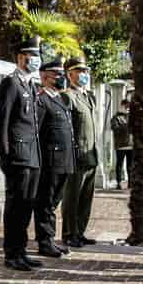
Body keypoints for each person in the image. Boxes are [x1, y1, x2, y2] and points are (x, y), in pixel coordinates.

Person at [0, 36, 44, 271]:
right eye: (31, 56)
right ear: (20, 57)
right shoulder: (11, 83)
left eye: (37, 56)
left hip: (32, 154)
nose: (35, 60)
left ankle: (21, 250)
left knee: (26, 206)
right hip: (17, 155)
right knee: (15, 207)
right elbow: (1, 121)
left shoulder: (30, 85)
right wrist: (4, 154)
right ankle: (11, 253)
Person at [34, 58, 76, 258]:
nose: (61, 78)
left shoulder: (60, 99)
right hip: (50, 162)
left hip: (64, 161)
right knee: (46, 203)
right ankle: (45, 241)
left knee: (54, 203)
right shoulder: (41, 100)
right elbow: (38, 133)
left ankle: (51, 239)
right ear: (44, 76)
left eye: (62, 74)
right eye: (56, 75)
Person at [60, 57, 99, 247]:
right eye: (80, 71)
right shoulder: (68, 96)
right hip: (77, 156)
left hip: (91, 156)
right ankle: (69, 233)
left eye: (85, 71)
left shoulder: (88, 96)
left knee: (86, 198)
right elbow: (66, 128)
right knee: (72, 197)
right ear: (70, 74)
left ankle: (80, 231)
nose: (84, 74)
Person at [110, 100, 132, 189]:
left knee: (130, 165)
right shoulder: (116, 117)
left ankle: (130, 182)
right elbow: (114, 128)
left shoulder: (131, 117)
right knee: (119, 164)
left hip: (131, 145)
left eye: (128, 107)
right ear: (121, 106)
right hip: (120, 145)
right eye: (125, 106)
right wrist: (126, 126)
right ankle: (118, 183)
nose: (127, 109)